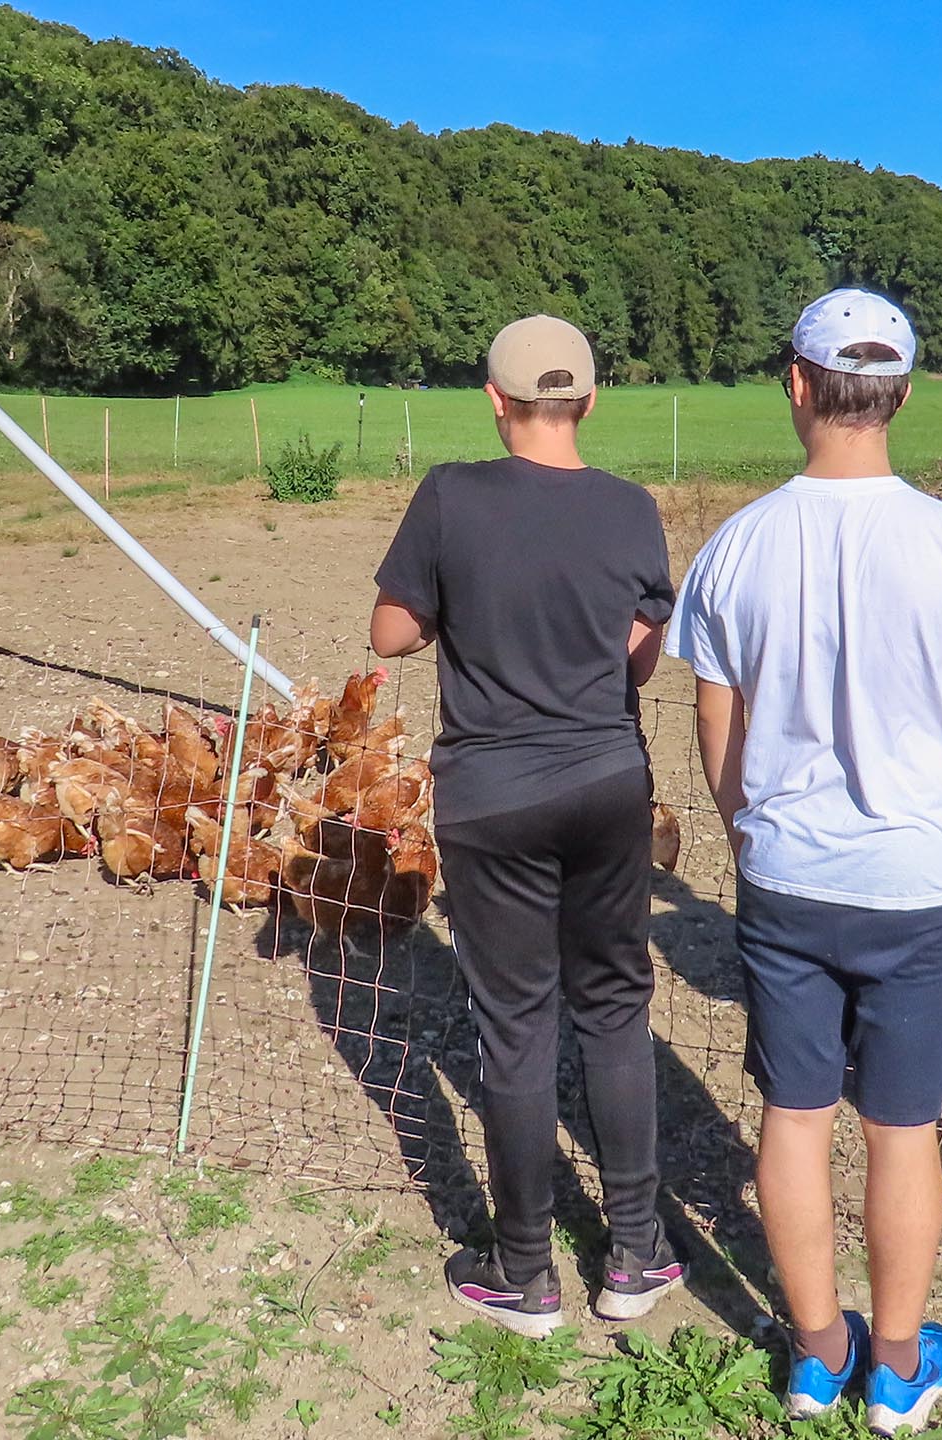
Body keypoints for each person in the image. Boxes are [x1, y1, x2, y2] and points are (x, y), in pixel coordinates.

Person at [667, 289, 942, 1434]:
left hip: (788, 877)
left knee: (793, 1115)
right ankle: (896, 1366)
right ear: (905, 395)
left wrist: (743, 827)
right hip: (925, 887)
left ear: (796, 384)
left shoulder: (737, 543)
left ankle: (815, 1355)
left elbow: (714, 717)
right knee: (902, 1129)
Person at [369, 315, 680, 1337]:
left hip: (492, 795)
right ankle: (635, 1255)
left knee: (516, 1027)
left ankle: (524, 1274)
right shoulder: (632, 509)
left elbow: (393, 633)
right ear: (588, 402)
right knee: (614, 1008)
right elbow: (640, 659)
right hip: (605, 783)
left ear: (494, 401)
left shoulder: (452, 494)